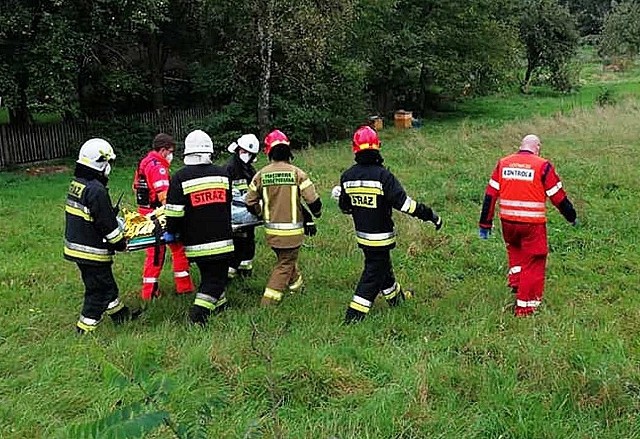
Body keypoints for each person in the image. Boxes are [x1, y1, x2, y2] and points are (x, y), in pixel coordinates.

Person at [338, 126, 443, 324]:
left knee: (383, 269)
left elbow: (345, 207)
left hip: (363, 237)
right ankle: (353, 317)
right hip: (382, 237)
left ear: (355, 149)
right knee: (372, 276)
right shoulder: (383, 176)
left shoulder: (347, 177)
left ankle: (397, 300)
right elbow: (406, 205)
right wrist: (430, 215)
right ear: (377, 148)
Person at [478, 134, 578, 316]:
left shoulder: (504, 163)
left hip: (508, 223)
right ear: (537, 147)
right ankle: (525, 307)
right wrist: (571, 216)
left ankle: (517, 283)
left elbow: (490, 195)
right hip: (532, 225)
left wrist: (485, 224)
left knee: (515, 251)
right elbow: (558, 197)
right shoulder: (542, 165)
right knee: (535, 261)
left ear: (521, 146)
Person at [64, 138, 138, 333]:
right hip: (92, 250)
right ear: (101, 162)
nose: (109, 167)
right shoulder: (96, 190)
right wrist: (121, 243)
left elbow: (90, 216)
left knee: (105, 284)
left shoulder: (78, 184)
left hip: (78, 246)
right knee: (99, 291)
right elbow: (107, 226)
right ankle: (84, 329)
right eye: (108, 163)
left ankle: (121, 316)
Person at [164, 130, 234, 325]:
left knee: (209, 274)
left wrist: (171, 232)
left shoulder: (180, 177)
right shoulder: (223, 174)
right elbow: (228, 204)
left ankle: (220, 305)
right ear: (209, 152)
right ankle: (198, 315)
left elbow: (174, 212)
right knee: (215, 279)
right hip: (222, 241)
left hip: (194, 243)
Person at [245, 129, 322, 306]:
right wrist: (314, 215)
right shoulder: (297, 173)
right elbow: (313, 200)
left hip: (271, 232)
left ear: (268, 151)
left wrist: (260, 213)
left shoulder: (261, 174)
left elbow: (249, 201)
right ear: (288, 151)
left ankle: (298, 288)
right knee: (285, 264)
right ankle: (268, 303)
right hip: (293, 233)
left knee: (286, 259)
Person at [133, 133, 194, 300]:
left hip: (146, 213)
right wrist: (175, 217)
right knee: (175, 249)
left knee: (156, 253)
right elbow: (164, 196)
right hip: (158, 215)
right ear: (163, 150)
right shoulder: (158, 167)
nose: (171, 155)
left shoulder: (144, 163)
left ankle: (151, 290)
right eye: (170, 151)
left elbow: (136, 188)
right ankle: (182, 288)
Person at [224, 134, 260, 279]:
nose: (246, 155)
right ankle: (230, 272)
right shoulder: (228, 169)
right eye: (243, 152)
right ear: (237, 150)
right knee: (237, 243)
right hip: (233, 214)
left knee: (248, 241)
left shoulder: (250, 170)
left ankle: (245, 270)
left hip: (248, 213)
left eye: (249, 154)